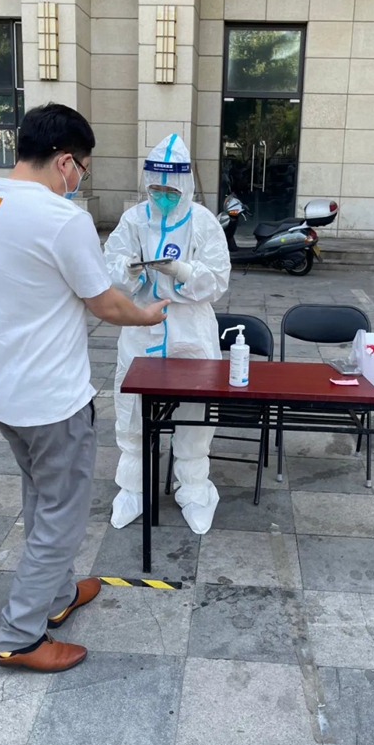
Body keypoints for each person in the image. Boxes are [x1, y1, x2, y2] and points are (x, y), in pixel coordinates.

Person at [0, 103, 168, 673]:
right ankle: (21, 636)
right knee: (62, 513)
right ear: (66, 161)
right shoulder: (61, 219)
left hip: (0, 392)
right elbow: (106, 303)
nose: (80, 180)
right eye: (83, 169)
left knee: (40, 495)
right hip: (51, 400)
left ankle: (57, 596)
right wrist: (149, 315)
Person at [104, 134, 231, 534]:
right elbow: (108, 265)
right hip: (142, 327)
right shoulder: (134, 220)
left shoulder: (203, 222)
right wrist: (129, 270)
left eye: (170, 191)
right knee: (132, 411)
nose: (162, 197)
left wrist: (183, 271)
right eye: (156, 189)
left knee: (196, 412)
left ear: (185, 185)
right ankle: (133, 488)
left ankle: (193, 488)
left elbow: (218, 280)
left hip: (190, 330)